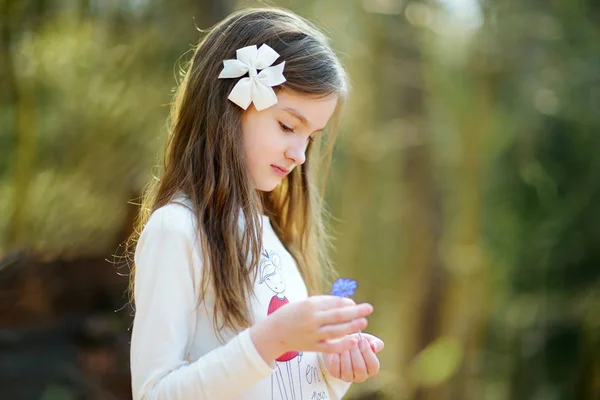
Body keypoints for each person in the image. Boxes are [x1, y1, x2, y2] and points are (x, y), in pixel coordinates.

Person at [127, 7, 384, 400]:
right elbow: (154, 393)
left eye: (311, 137)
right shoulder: (177, 230)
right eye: (287, 126)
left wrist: (331, 372)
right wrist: (270, 340)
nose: (299, 154)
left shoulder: (271, 236)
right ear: (228, 106)